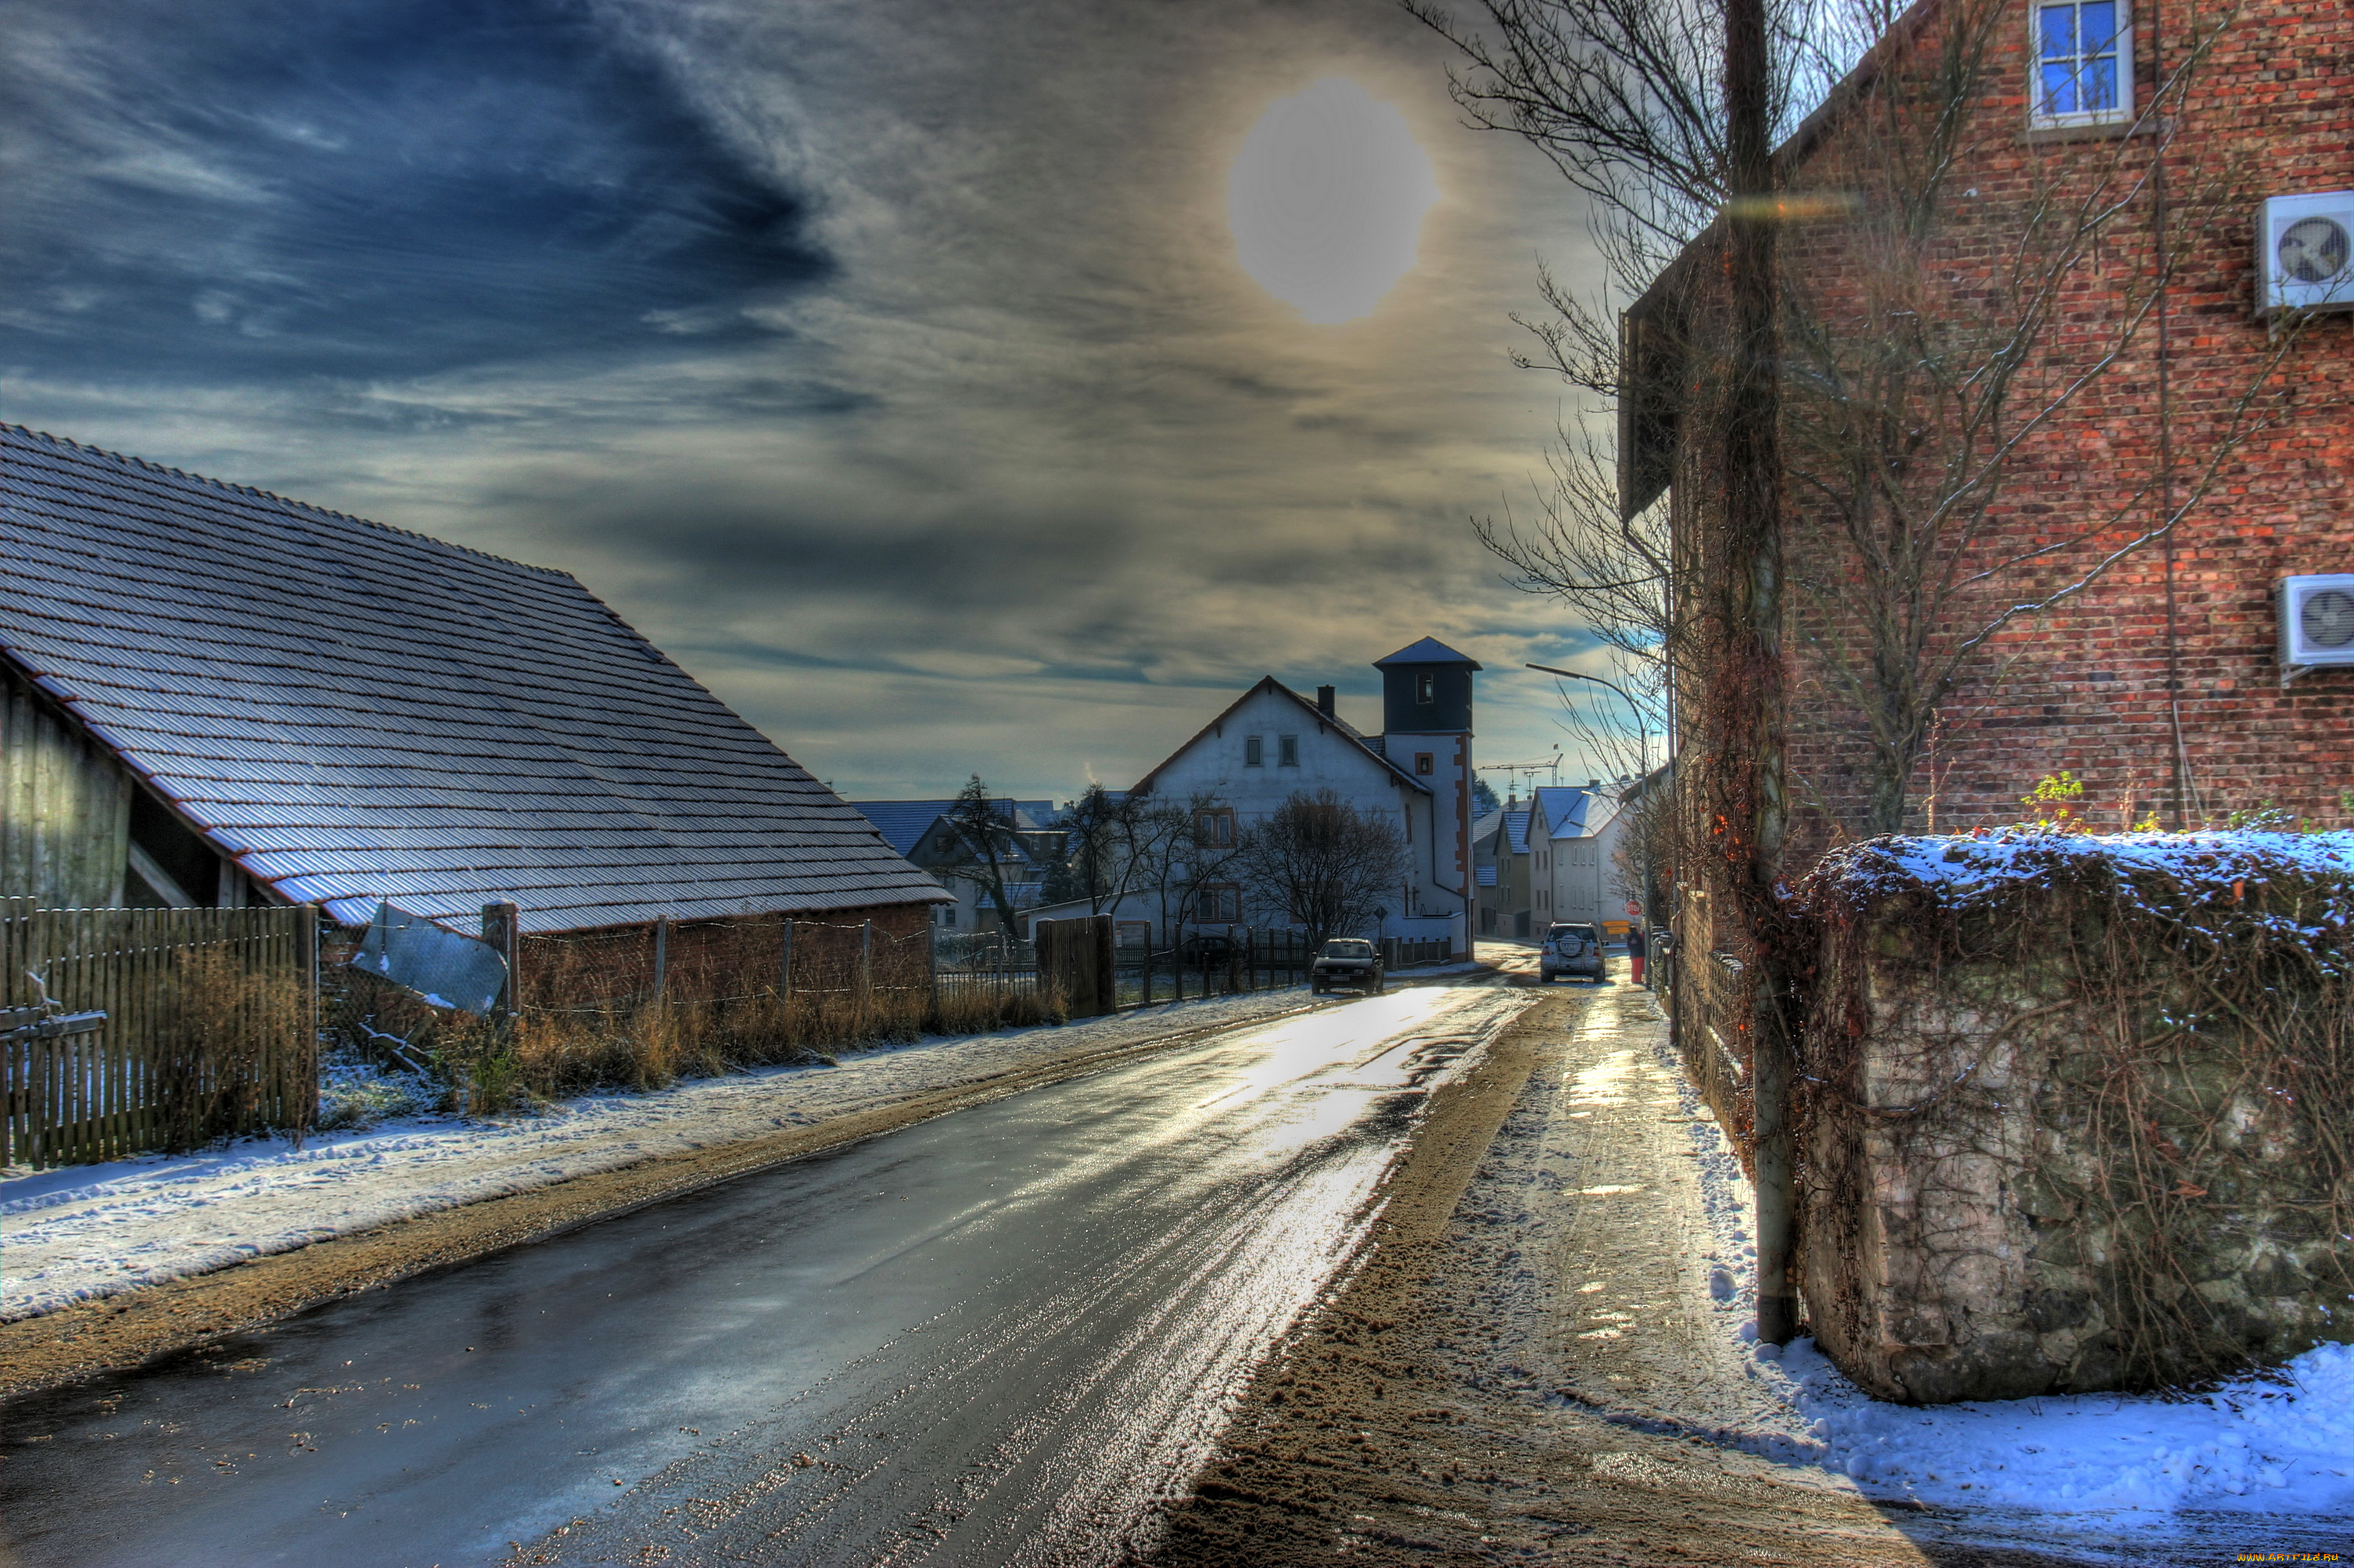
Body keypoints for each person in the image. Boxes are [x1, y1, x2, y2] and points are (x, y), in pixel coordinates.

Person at [1626, 920, 1648, 985]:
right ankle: (1638, 980)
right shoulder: (1639, 936)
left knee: (1634, 967)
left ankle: (1634, 979)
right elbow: (1644, 940)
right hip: (1640, 954)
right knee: (1639, 967)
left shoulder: (1629, 938)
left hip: (1633, 954)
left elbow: (1629, 946)